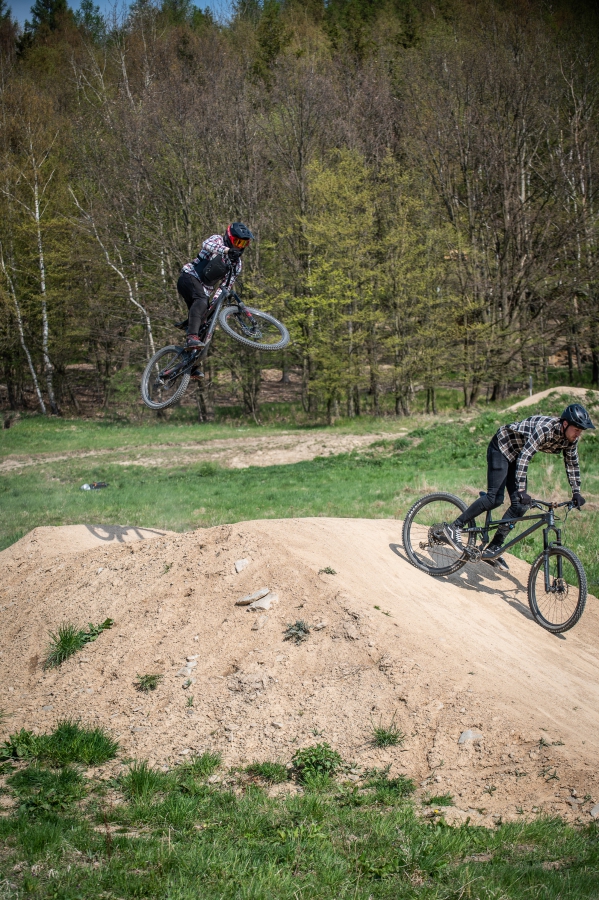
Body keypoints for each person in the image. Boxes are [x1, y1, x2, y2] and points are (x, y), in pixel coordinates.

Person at [442, 404, 595, 572]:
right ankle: (454, 527)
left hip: (516, 455)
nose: (578, 434)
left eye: (581, 431)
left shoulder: (571, 440)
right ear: (565, 424)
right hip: (502, 447)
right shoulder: (545, 429)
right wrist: (521, 490)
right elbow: (525, 456)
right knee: (494, 498)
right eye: (576, 429)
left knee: (520, 505)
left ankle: (493, 548)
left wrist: (576, 492)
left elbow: (572, 464)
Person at [177, 222, 254, 350]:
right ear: (229, 237)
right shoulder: (218, 239)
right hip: (189, 277)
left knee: (206, 323)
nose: (239, 247)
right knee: (201, 300)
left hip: (204, 289)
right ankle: (191, 337)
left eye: (243, 244)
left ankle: (192, 359)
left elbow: (226, 285)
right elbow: (207, 244)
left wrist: (214, 305)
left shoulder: (237, 263)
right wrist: (227, 251)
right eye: (237, 242)